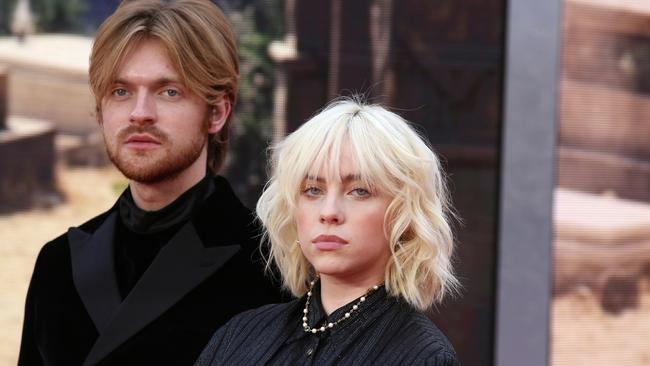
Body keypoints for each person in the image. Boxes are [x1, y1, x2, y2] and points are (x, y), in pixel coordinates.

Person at [18, 1, 281, 365]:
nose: (140, 113)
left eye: (168, 91)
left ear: (217, 113)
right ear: (100, 110)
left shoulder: (269, 269)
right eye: (120, 91)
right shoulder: (57, 265)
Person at [196, 99, 461, 365]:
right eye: (313, 190)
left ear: (403, 212)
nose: (329, 212)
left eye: (359, 190)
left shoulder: (424, 357)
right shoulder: (239, 335)